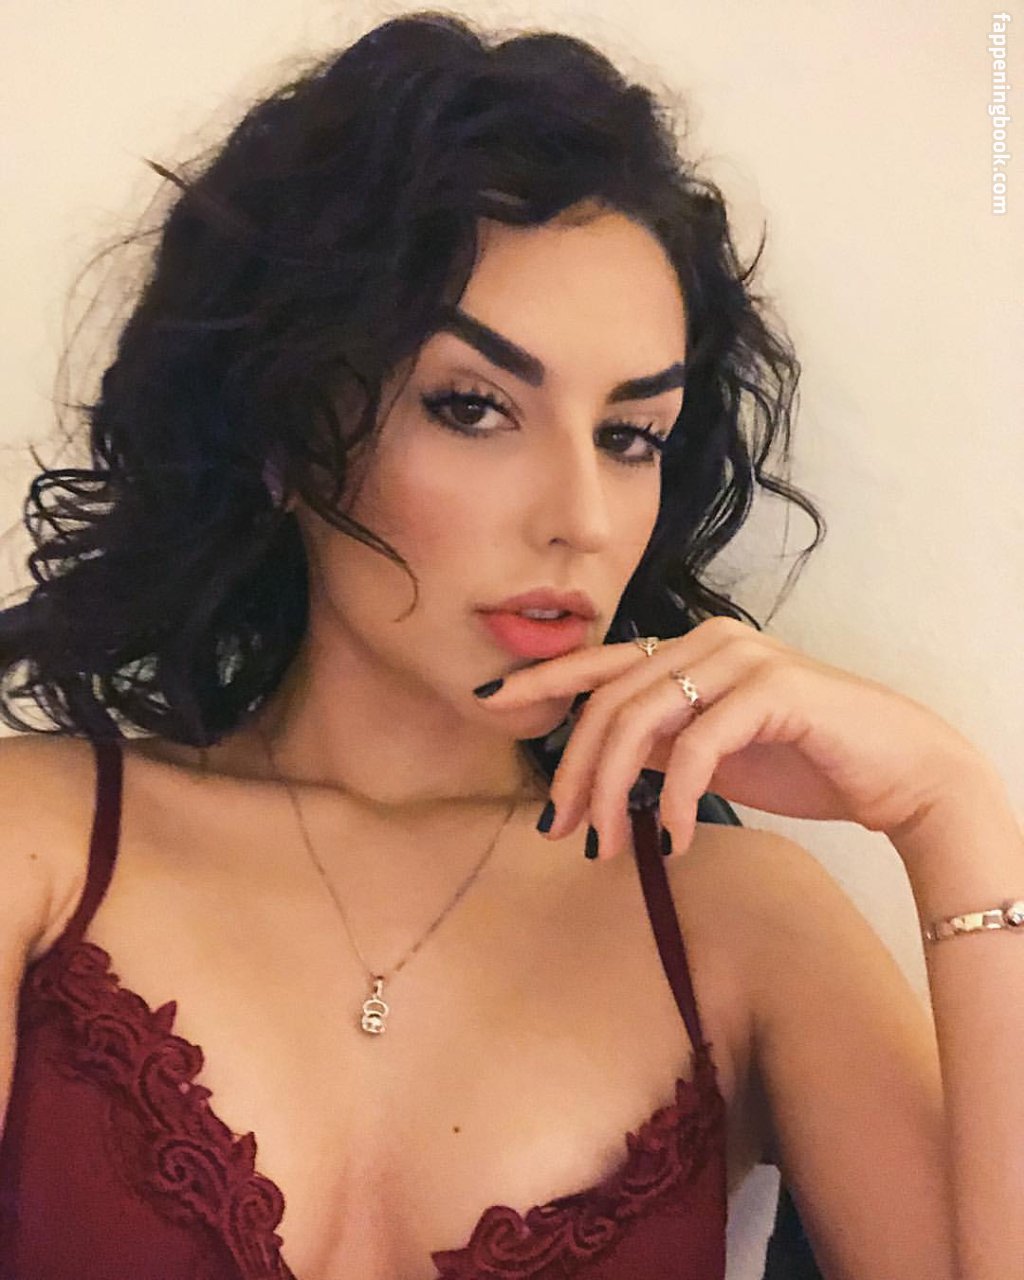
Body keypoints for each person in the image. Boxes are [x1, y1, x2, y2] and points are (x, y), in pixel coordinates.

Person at [0, 10, 1019, 1279]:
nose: (581, 518)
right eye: (473, 407)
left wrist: (946, 810)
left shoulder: (740, 923)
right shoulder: (39, 840)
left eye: (628, 436)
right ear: (281, 429)